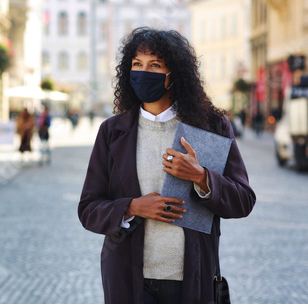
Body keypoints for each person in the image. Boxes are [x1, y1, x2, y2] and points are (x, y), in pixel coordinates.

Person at [77, 27, 256, 304]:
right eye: (137, 64)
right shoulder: (113, 131)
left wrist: (202, 178)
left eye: (155, 65)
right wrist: (132, 207)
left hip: (192, 279)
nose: (144, 72)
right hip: (128, 278)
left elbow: (243, 200)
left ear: (175, 75)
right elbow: (88, 209)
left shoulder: (211, 127)